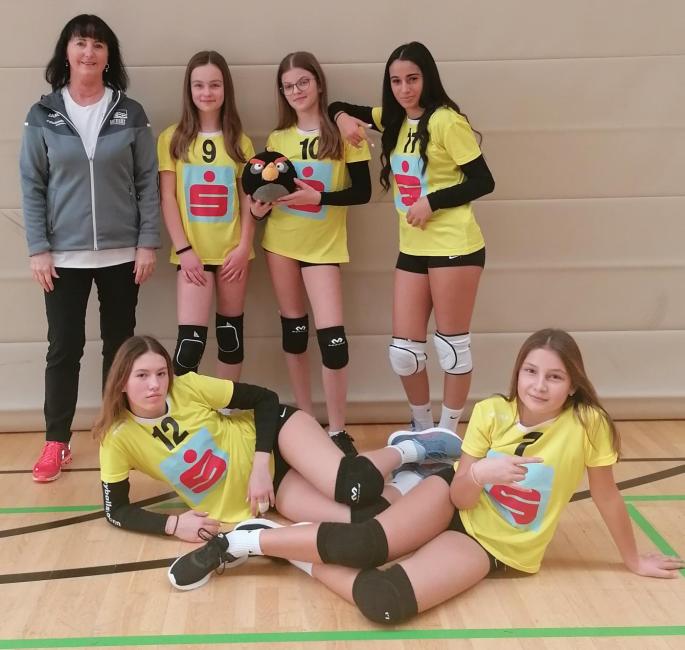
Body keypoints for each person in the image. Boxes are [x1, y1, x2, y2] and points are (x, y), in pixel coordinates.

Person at [168, 328, 684, 621]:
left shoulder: (590, 425)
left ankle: (272, 540)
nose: (540, 385)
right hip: (456, 501)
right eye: (531, 372)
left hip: (490, 547)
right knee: (366, 541)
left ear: (572, 386)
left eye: (554, 377)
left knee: (383, 603)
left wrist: (633, 558)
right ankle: (246, 545)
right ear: (517, 374)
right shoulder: (491, 414)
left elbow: (608, 497)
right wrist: (482, 472)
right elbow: (461, 496)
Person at [93, 335, 462, 551]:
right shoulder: (118, 439)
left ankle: (410, 448)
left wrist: (258, 465)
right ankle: (416, 478)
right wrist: (173, 525)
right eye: (142, 376)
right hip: (268, 493)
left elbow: (266, 399)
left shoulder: (187, 386)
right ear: (122, 381)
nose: (155, 385)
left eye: (160, 373)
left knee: (353, 484)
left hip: (276, 439)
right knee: (362, 516)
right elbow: (117, 511)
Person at [20, 14, 160, 482]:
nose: (89, 52)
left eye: (98, 45)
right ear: (67, 51)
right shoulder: (42, 114)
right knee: (64, 348)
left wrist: (147, 243)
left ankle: (115, 435)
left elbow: (147, 182)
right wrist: (39, 248)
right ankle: (56, 442)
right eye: (81, 43)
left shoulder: (130, 112)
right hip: (62, 257)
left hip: (124, 254)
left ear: (108, 56)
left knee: (120, 349)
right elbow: (32, 185)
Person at [329, 42, 495, 435]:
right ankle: (422, 430)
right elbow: (334, 104)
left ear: (428, 78)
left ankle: (449, 432)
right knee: (404, 353)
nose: (405, 89)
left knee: (452, 349)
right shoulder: (393, 119)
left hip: (455, 248)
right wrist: (341, 120)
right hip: (413, 249)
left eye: (413, 79)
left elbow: (483, 180)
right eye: (397, 81)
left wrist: (432, 201)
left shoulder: (445, 122)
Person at [256, 51, 372, 456]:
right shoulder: (277, 140)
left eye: (303, 82)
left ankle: (338, 429)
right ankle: (305, 419)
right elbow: (268, 193)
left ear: (319, 83)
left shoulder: (345, 133)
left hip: (323, 248)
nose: (296, 91)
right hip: (281, 244)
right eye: (288, 86)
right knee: (295, 333)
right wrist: (258, 207)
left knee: (334, 341)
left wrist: (317, 195)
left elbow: (362, 192)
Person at [158, 51, 263, 381]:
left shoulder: (240, 142)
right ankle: (186, 416)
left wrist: (245, 245)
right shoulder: (172, 139)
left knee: (230, 339)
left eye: (214, 85)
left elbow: (248, 200)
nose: (206, 93)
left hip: (233, 254)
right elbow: (167, 198)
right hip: (193, 256)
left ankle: (226, 413)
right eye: (199, 85)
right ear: (189, 89)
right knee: (190, 344)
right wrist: (185, 250)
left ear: (225, 89)